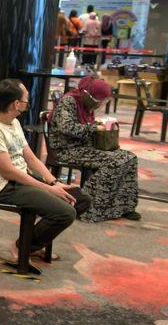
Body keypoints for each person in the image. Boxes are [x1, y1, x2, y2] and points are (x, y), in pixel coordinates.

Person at [0, 79, 92, 263]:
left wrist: (54, 182)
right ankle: (22, 246)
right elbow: (8, 172)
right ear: (16, 104)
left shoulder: (13, 123)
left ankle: (32, 243)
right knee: (66, 212)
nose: (29, 102)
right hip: (4, 188)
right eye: (26, 99)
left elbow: (31, 158)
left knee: (81, 199)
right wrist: (48, 189)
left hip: (21, 180)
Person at [49, 76, 139, 221]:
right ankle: (87, 208)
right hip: (67, 150)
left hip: (85, 147)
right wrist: (94, 127)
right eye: (100, 101)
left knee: (130, 158)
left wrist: (96, 125)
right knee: (115, 161)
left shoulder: (85, 104)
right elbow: (66, 127)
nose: (101, 104)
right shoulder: (69, 102)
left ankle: (123, 206)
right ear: (89, 95)